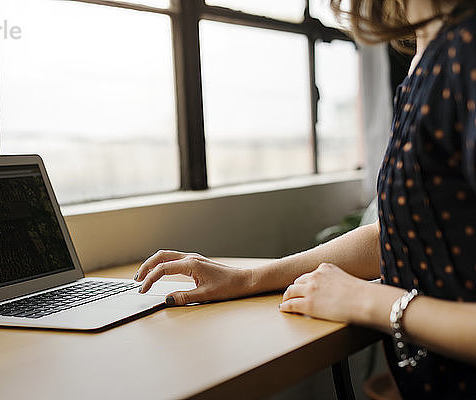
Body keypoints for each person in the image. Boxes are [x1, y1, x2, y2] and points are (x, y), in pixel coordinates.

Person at [134, 1, 476, 399]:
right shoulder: (427, 52)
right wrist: (249, 278)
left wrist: (370, 302)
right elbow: (402, 231)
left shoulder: (466, 51)